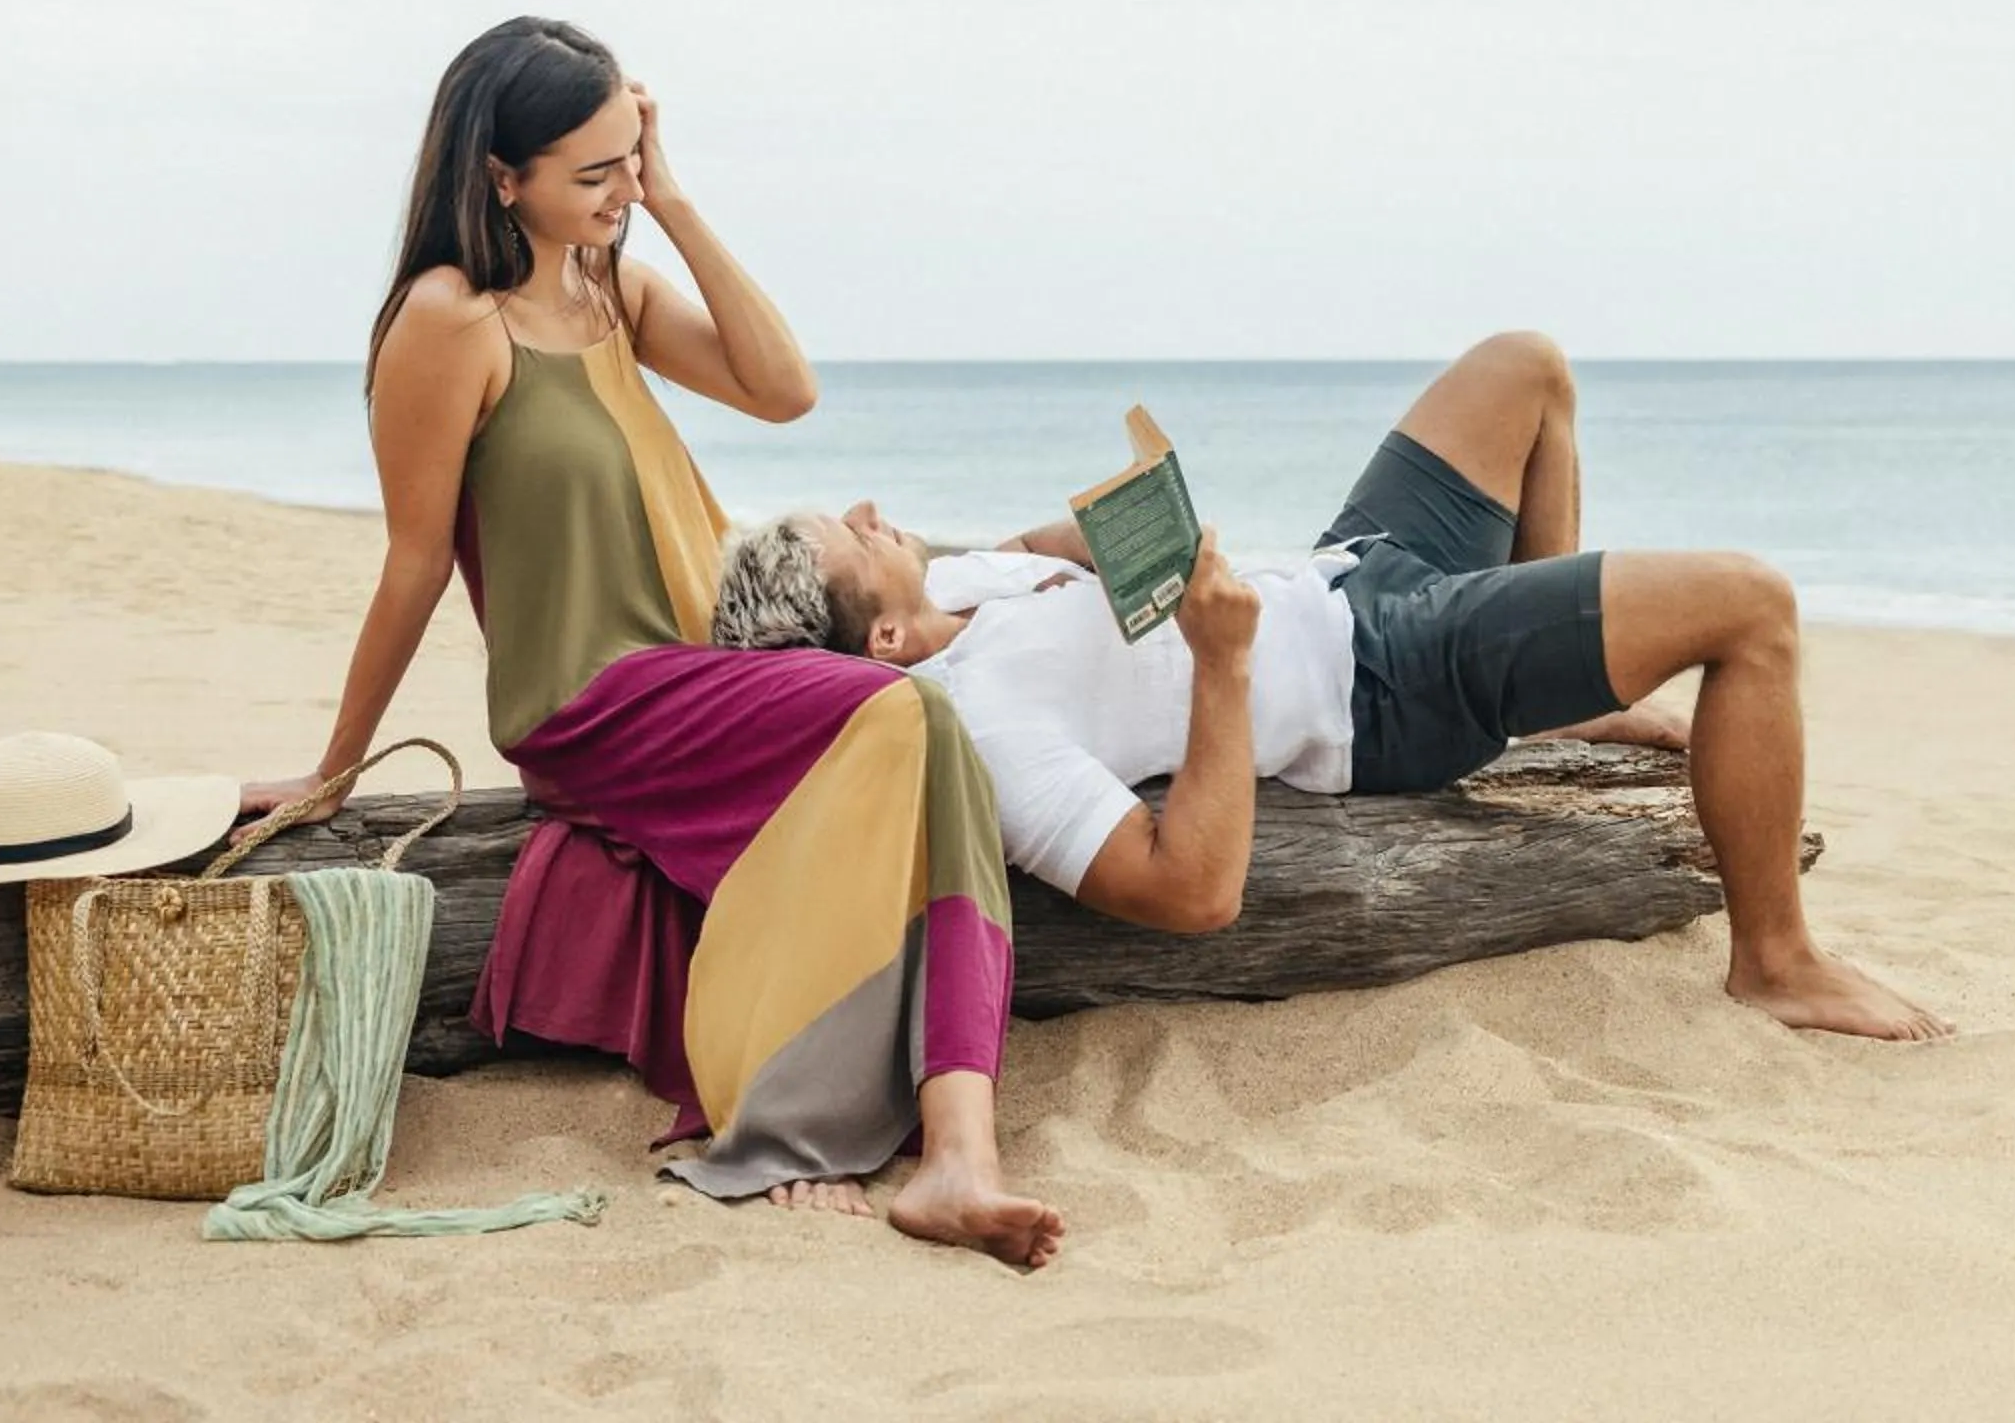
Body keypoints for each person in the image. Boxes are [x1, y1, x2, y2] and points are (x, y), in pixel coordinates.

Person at [237, 15, 1061, 1264]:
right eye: (595, 173)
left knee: (931, 738)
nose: (619, 191)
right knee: (906, 711)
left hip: (699, 675)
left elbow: (785, 390)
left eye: (632, 157)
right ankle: (856, 1127)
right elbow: (412, 560)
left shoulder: (610, 287)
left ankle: (958, 1152)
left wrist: (667, 202)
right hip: (589, 702)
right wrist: (334, 767)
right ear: (499, 174)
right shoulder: (450, 321)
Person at [714, 332, 1949, 1042]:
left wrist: (1127, 527)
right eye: (852, 531)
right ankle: (1776, 958)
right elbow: (1188, 889)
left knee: (1526, 367)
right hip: (1382, 682)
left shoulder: (959, 583)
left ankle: (1558, 695)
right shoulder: (979, 725)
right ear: (878, 638)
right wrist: (1220, 660)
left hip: (1353, 566)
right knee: (1753, 603)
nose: (875, 511)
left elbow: (1049, 552)